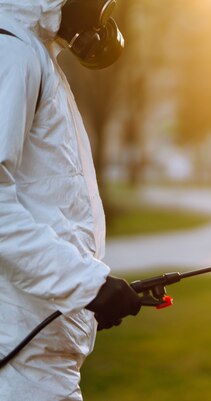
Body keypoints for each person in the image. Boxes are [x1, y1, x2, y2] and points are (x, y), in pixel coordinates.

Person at [0, 0, 142, 399]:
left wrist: (89, 290)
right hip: (20, 358)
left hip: (37, 355)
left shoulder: (33, 52)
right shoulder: (12, 52)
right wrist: (88, 286)